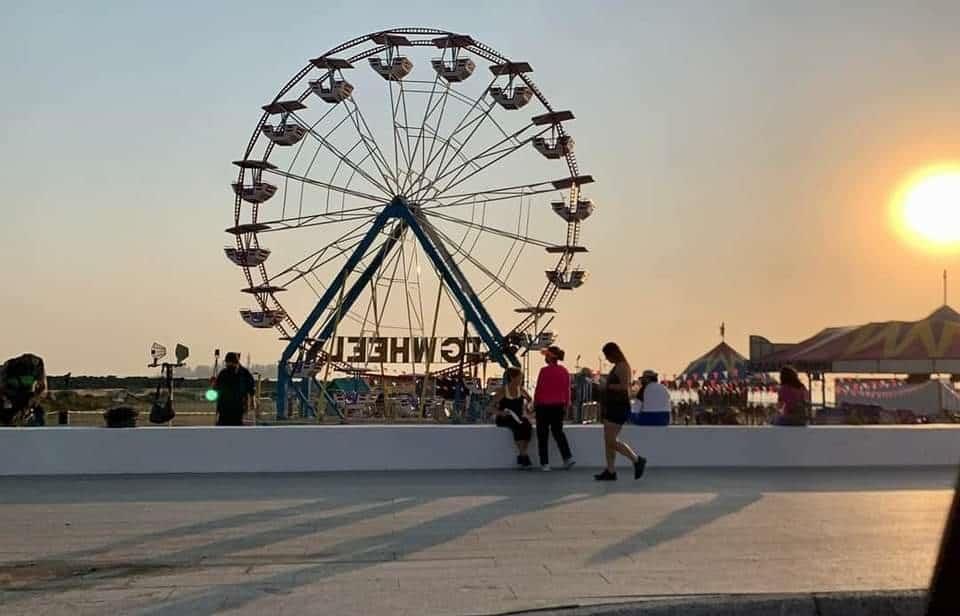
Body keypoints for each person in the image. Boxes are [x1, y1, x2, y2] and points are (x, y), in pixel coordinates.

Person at [595, 342, 646, 481]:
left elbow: (625, 388)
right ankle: (610, 470)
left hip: (619, 407)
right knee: (608, 440)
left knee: (611, 441)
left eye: (607, 355)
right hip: (612, 406)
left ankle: (636, 459)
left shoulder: (623, 367)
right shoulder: (617, 366)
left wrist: (608, 385)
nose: (606, 359)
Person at [532, 346, 575, 472]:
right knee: (558, 432)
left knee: (542, 435)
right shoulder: (564, 371)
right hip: (559, 406)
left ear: (549, 357)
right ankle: (568, 458)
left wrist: (535, 404)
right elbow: (567, 391)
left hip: (543, 406)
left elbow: (539, 389)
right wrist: (567, 405)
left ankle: (545, 463)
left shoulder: (543, 371)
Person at [490, 367, 534, 469]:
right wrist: (500, 412)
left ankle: (522, 454)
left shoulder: (521, 390)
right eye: (519, 377)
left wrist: (527, 409)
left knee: (527, 427)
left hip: (518, 417)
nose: (521, 379)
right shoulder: (503, 391)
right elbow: (490, 407)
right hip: (505, 418)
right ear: (512, 378)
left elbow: (529, 399)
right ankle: (524, 456)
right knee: (517, 427)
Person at [0, 353, 47, 426]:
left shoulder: (37, 364)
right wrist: (5, 399)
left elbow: (42, 387)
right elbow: (2, 386)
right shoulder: (10, 365)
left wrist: (34, 399)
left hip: (26, 396)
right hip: (10, 395)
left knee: (38, 411)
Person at [214, 352, 256, 426]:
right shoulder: (223, 373)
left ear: (236, 363)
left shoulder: (244, 374)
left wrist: (252, 402)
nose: (229, 365)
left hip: (239, 407)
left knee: (237, 427)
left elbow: (251, 388)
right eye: (227, 363)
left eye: (230, 363)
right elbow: (216, 388)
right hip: (224, 407)